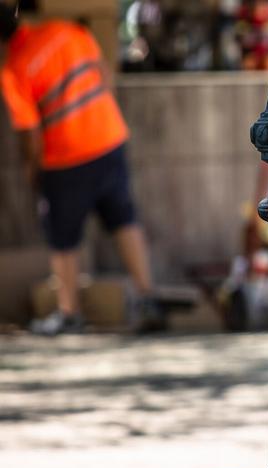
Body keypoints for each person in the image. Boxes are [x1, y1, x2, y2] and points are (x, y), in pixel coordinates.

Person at [0, 6, 165, 334]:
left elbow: (29, 133)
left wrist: (33, 171)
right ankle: (148, 298)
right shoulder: (68, 31)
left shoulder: (13, 70)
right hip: (108, 139)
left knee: (62, 238)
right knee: (124, 220)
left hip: (65, 159)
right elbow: (105, 75)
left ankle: (69, 312)